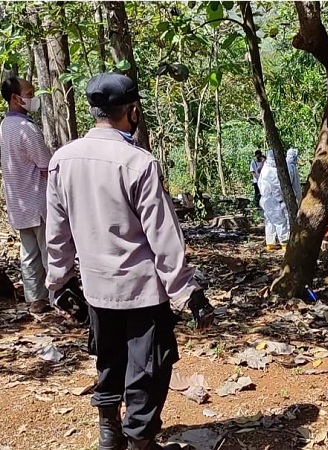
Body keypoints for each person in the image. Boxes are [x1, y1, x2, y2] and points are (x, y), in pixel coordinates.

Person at [45, 73, 214, 450]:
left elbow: (56, 234)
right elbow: (164, 238)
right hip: (142, 291)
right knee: (148, 367)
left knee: (108, 359)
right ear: (133, 112)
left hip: (96, 289)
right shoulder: (138, 163)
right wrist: (188, 295)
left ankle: (109, 433)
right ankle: (140, 441)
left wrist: (58, 284)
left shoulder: (62, 160)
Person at [0, 76, 52, 313]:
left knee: (29, 254)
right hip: (37, 201)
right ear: (15, 98)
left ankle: (35, 300)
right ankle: (58, 297)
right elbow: (45, 166)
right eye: (29, 93)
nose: (32, 98)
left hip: (18, 203)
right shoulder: (27, 129)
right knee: (50, 252)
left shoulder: (4, 126)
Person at [258, 150, 290, 250]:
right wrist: (281, 199)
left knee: (270, 221)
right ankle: (284, 243)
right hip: (273, 200)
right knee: (280, 221)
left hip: (265, 199)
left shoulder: (265, 168)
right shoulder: (271, 170)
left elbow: (260, 184)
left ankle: (270, 243)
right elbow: (277, 187)